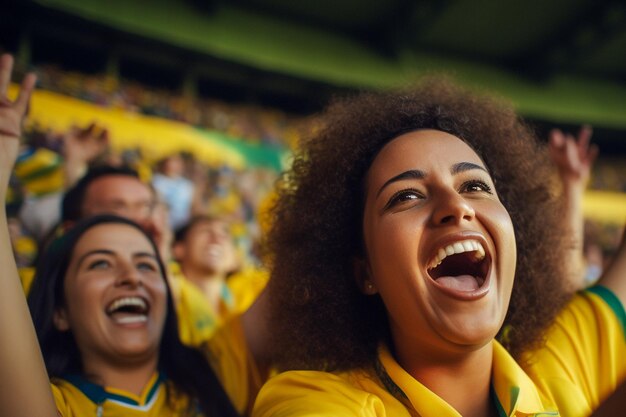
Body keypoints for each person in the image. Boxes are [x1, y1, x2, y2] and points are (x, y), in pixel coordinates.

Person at [252, 79, 626, 417]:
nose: (457, 206)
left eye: (475, 186)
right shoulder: (307, 402)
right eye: (407, 196)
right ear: (365, 272)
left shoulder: (558, 361)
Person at [0, 54, 266, 415]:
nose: (131, 277)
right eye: (100, 264)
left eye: (146, 266)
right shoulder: (55, 403)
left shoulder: (212, 371)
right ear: (58, 308)